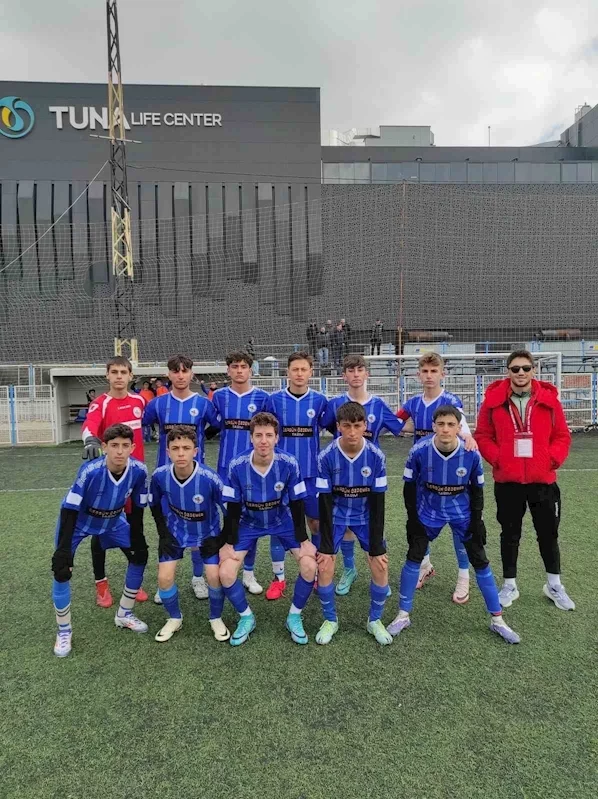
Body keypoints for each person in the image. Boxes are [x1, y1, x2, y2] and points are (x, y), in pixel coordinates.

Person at [387, 406, 520, 644]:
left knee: (481, 561)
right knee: (414, 558)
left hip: (462, 514)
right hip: (428, 513)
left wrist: (477, 520)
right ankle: (402, 615)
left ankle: (498, 620)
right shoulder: (419, 451)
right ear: (434, 426)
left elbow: (477, 490)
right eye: (441, 424)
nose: (445, 429)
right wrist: (412, 518)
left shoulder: (471, 454)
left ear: (459, 427)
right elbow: (409, 488)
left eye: (451, 424)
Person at [475, 349, 574, 610]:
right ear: (508, 371)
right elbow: (483, 435)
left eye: (526, 368)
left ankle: (554, 585)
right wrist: (499, 459)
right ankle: (509, 585)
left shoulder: (549, 400)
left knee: (548, 534)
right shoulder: (493, 401)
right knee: (510, 534)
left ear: (533, 370)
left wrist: (551, 459)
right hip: (508, 481)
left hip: (543, 480)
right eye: (515, 368)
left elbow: (562, 435)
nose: (521, 373)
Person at [219, 412, 317, 645]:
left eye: (269, 435)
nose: (264, 440)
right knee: (226, 572)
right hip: (248, 522)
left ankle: (294, 616)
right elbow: (233, 507)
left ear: (277, 438)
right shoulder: (237, 465)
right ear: (251, 438)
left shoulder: (289, 462)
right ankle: (246, 617)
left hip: (281, 520)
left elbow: (297, 502)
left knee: (309, 565)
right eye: (258, 435)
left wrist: (304, 540)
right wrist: (228, 543)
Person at [51, 424, 150, 657]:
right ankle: (64, 631)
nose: (119, 451)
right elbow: (70, 509)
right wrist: (63, 550)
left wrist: (138, 537)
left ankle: (124, 614)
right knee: (61, 570)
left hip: (113, 522)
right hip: (78, 523)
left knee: (140, 556)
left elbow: (137, 508)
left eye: (125, 446)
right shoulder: (90, 470)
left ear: (133, 447)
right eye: (114, 445)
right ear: (104, 447)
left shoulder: (139, 470)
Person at [395, 351, 478, 602]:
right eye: (425, 371)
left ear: (443, 373)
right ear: (418, 374)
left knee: (459, 525)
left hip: (451, 474)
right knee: (421, 522)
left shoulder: (450, 400)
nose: (429, 375)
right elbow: (395, 422)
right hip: (423, 473)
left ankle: (463, 576)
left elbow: (462, 427)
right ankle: (425, 566)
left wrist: (469, 437)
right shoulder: (412, 403)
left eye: (434, 371)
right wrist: (402, 427)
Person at [322, 354, 402, 594]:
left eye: (360, 369)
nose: (356, 374)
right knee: (345, 524)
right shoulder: (335, 403)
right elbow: (324, 426)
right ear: (344, 375)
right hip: (341, 472)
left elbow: (402, 427)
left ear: (367, 373)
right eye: (351, 370)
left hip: (369, 474)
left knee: (374, 520)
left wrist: (458, 428)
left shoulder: (378, 404)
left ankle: (378, 573)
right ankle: (349, 569)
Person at [143, 354, 220, 603]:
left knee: (197, 528)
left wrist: (202, 440)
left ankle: (198, 578)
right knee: (166, 528)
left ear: (191, 374)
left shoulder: (203, 404)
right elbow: (141, 425)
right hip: (165, 480)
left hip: (196, 479)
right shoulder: (157, 404)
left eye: (184, 371)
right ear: (169, 374)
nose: (180, 375)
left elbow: (217, 426)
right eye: (175, 371)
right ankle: (166, 581)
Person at [315, 401, 392, 646]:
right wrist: (326, 547)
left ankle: (374, 620)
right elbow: (324, 502)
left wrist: (377, 546)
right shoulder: (326, 456)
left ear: (365, 426)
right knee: (324, 565)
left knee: (380, 564)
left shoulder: (376, 456)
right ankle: (330, 620)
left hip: (365, 516)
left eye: (357, 426)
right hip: (336, 516)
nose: (351, 432)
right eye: (346, 426)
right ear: (338, 426)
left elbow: (378, 502)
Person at [149, 426, 230, 643]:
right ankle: (174, 618)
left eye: (186, 448)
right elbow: (154, 504)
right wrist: (163, 533)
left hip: (207, 534)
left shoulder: (210, 478)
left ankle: (216, 617)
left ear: (195, 451)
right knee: (164, 578)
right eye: (175, 448)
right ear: (168, 452)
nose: (181, 453)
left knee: (214, 576)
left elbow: (230, 512)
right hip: (176, 533)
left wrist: (220, 540)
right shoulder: (159, 476)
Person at [82, 356, 149, 607]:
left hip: (135, 479)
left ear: (131, 376)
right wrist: (90, 440)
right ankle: (101, 584)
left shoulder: (140, 401)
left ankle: (134, 582)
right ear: (107, 375)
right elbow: (89, 426)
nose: (119, 376)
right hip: (108, 480)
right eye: (114, 372)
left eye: (123, 372)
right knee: (101, 531)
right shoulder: (100, 403)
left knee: (135, 530)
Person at [264, 351, 328, 599]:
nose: (299, 374)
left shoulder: (320, 401)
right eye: (295, 369)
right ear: (287, 372)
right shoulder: (274, 401)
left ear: (311, 372)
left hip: (311, 474)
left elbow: (336, 429)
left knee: (316, 523)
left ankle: (316, 573)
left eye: (304, 369)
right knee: (278, 525)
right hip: (280, 476)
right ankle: (278, 578)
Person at [211, 352, 270, 595]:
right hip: (225, 470)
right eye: (234, 366)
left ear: (250, 370)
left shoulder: (263, 398)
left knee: (250, 519)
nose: (239, 370)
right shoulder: (219, 397)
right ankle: (222, 567)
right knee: (227, 519)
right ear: (228, 370)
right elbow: (211, 427)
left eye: (243, 366)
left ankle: (248, 572)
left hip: (252, 471)